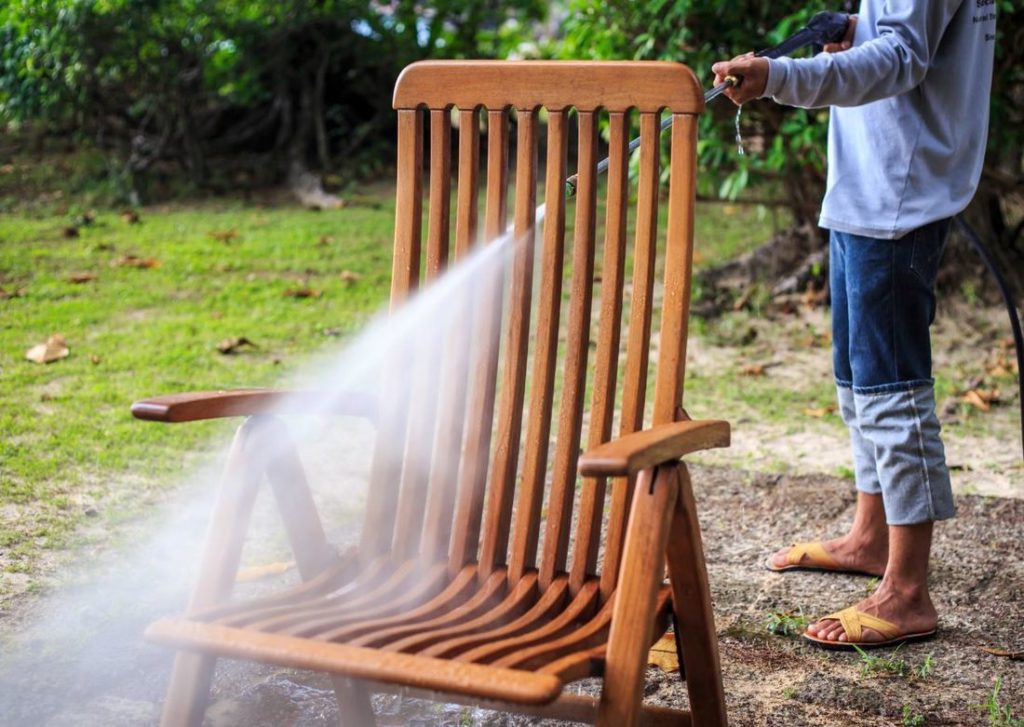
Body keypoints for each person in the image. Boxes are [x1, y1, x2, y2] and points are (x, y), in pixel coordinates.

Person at [711, 1, 996, 649]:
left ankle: (907, 590)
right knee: (856, 376)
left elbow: (900, 56)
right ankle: (870, 536)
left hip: (899, 189)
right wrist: (853, 28)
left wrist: (779, 75)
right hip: (869, 183)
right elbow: (908, 34)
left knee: (891, 388)